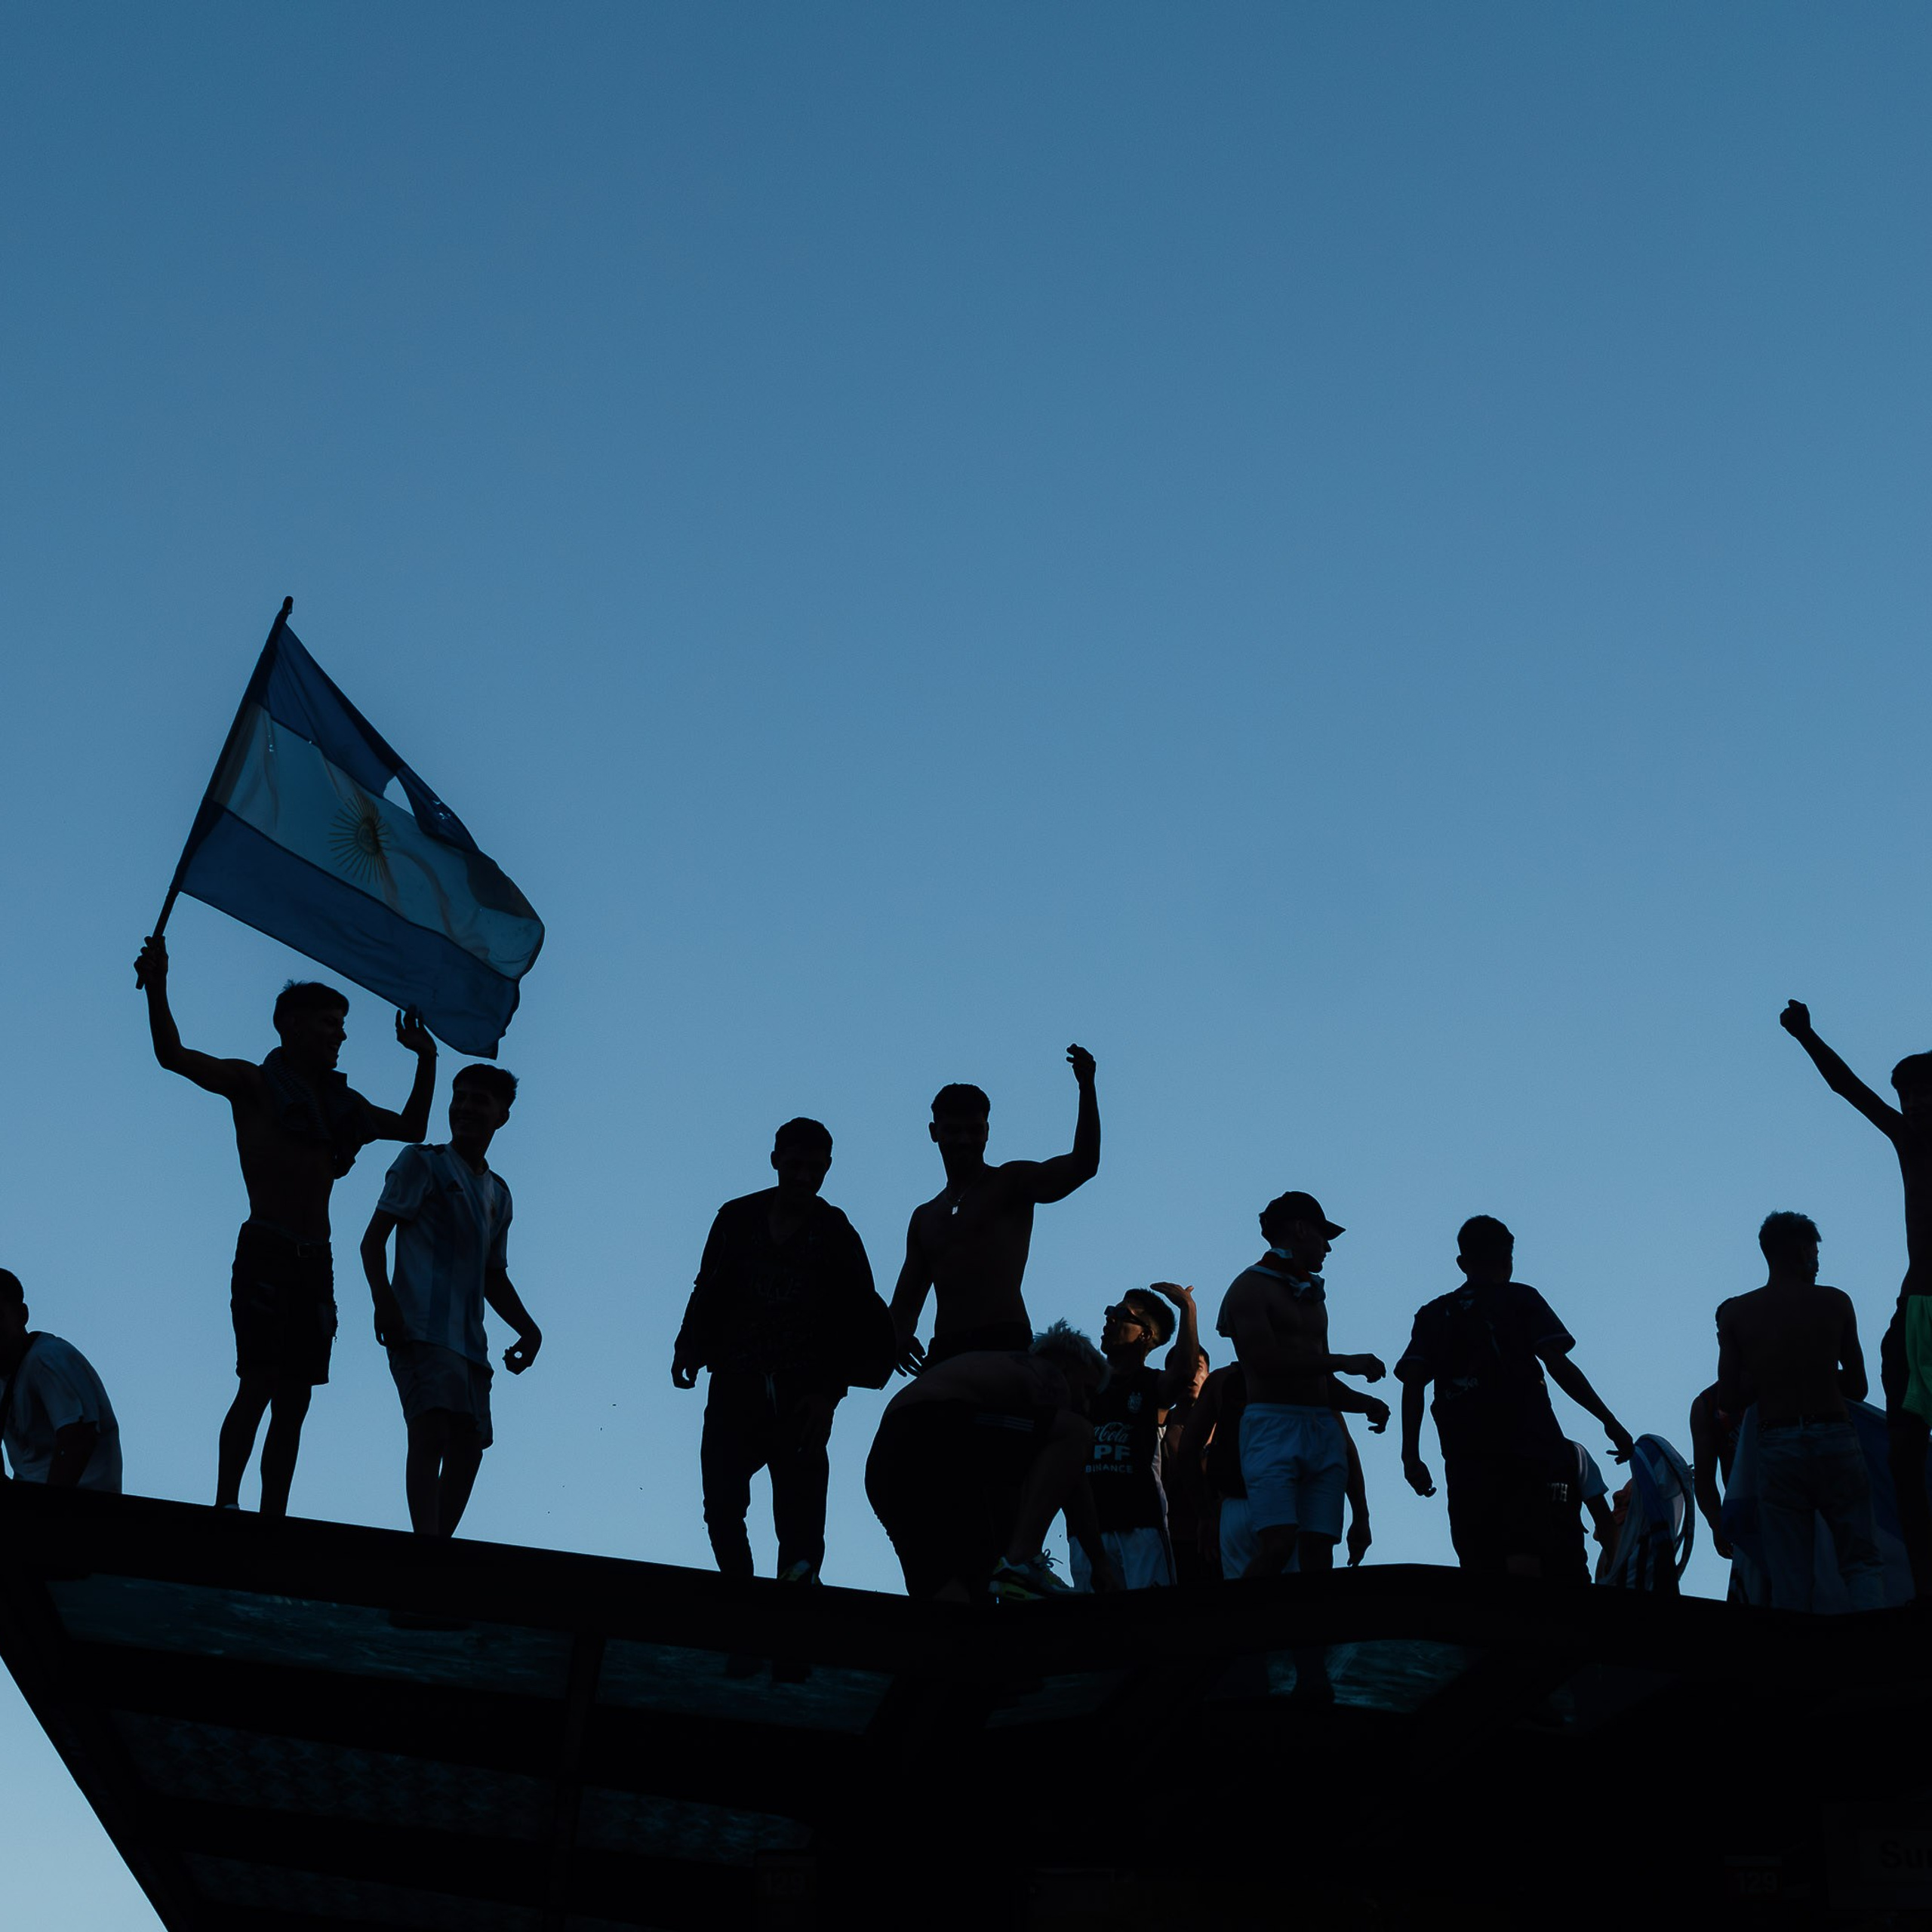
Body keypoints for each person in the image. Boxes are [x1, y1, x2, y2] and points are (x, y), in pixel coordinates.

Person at [135, 936, 435, 1517]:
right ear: (291, 1026)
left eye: (342, 1024)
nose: (340, 1035)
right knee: (259, 1382)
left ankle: (274, 1515)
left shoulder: (343, 1109)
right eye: (330, 1022)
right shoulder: (253, 1084)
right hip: (267, 1246)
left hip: (314, 1259)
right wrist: (159, 983)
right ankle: (226, 1504)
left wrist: (426, 1059)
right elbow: (172, 1054)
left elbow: (412, 1127)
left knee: (295, 1398)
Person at [674, 1119, 893, 1583]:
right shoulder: (736, 1217)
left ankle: (793, 1613)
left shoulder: (834, 1231)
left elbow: (859, 1312)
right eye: (794, 1165)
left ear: (828, 1168)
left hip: (802, 1394)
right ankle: (741, 1590)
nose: (802, 1177)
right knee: (721, 1505)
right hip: (735, 1382)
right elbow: (706, 1283)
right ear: (775, 1160)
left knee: (801, 1524)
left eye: (814, 1168)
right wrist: (687, 1344)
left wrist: (830, 1393)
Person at [1780, 999, 1932, 1598]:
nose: (1914, 1105)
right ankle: (1923, 1585)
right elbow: (1850, 1089)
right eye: (1909, 1097)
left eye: (1926, 1095)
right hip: (1916, 1308)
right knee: (1903, 1452)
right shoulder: (1908, 1141)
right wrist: (1807, 1037)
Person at [359, 1065, 541, 1537]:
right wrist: (385, 1301)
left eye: (478, 1100)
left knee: (470, 1443)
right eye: (459, 1097)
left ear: (502, 1115)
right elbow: (372, 1240)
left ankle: (439, 1542)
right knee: (431, 1427)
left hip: (469, 1340)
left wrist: (528, 1328)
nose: (464, 1107)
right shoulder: (423, 1162)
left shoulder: (499, 1192)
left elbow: (492, 1274)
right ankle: (426, 1546)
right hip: (419, 1325)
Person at [1398, 1216, 1633, 1580]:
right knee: (1526, 1553)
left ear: (1462, 1262)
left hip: (1465, 1457)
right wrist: (1609, 1420)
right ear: (1508, 1259)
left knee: (1479, 1557)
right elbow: (1558, 1364)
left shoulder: (1434, 1315)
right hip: (1526, 1452)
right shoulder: (1521, 1299)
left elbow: (1413, 1383)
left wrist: (1410, 1454)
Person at [865, 1321, 1118, 1601]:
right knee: (1076, 1431)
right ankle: (1023, 1561)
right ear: (1068, 1366)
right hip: (926, 1431)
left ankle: (1009, 1573)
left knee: (961, 1586)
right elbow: (1073, 1481)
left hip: (887, 1467)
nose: (1085, 1406)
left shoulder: (994, 1385)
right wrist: (1100, 1562)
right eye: (1088, 1391)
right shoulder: (1046, 1374)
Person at [888, 1046, 1100, 1372]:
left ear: (987, 1131)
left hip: (1004, 1340)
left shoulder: (1011, 1182)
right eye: (953, 1131)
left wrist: (1087, 1088)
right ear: (935, 1133)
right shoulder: (926, 1217)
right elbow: (906, 1302)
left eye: (974, 1130)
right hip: (946, 1347)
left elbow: (1083, 1164)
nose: (964, 1140)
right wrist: (898, 1336)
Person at [1214, 1192, 1389, 1578]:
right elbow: (1265, 1363)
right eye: (1322, 1236)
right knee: (1278, 1546)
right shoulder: (1248, 1288)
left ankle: (1314, 1638)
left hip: (1321, 1426)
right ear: (1299, 1229)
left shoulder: (1312, 1293)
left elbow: (1319, 1377)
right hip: (1272, 1426)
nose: (1327, 1247)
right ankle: (1235, 1631)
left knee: (1318, 1556)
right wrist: (1346, 1362)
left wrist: (1365, 1404)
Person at [1715, 1211, 1884, 1612]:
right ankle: (1878, 1653)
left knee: (1790, 1573)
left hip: (1777, 1442)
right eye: (1815, 1251)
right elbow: (1858, 1387)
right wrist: (1816, 1374)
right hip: (1835, 1435)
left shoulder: (1738, 1313)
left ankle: (1799, 1665)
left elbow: (1728, 1399)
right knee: (1860, 1560)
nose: (1818, 1260)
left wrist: (1775, 1376)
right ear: (1805, 1251)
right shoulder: (1835, 1301)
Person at [1069, 1284, 1202, 1590]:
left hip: (1140, 1526)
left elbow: (1183, 1373)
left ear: (1145, 1334)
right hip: (1087, 1530)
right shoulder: (1083, 1385)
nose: (1109, 1319)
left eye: (1120, 1314)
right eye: (1109, 1312)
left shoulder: (1148, 1383)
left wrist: (1188, 1309)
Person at [0, 1272, 122, 1491]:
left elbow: (78, 1438)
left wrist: (48, 1514)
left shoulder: (47, 1359)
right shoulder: (7, 1376)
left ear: (22, 1315)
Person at [1159, 1346, 1214, 1583]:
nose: (1190, 1375)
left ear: (1208, 1376)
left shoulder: (1228, 1425)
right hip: (1172, 1541)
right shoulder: (1159, 1428)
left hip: (1218, 1538)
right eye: (1183, 1369)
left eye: (1198, 1368)